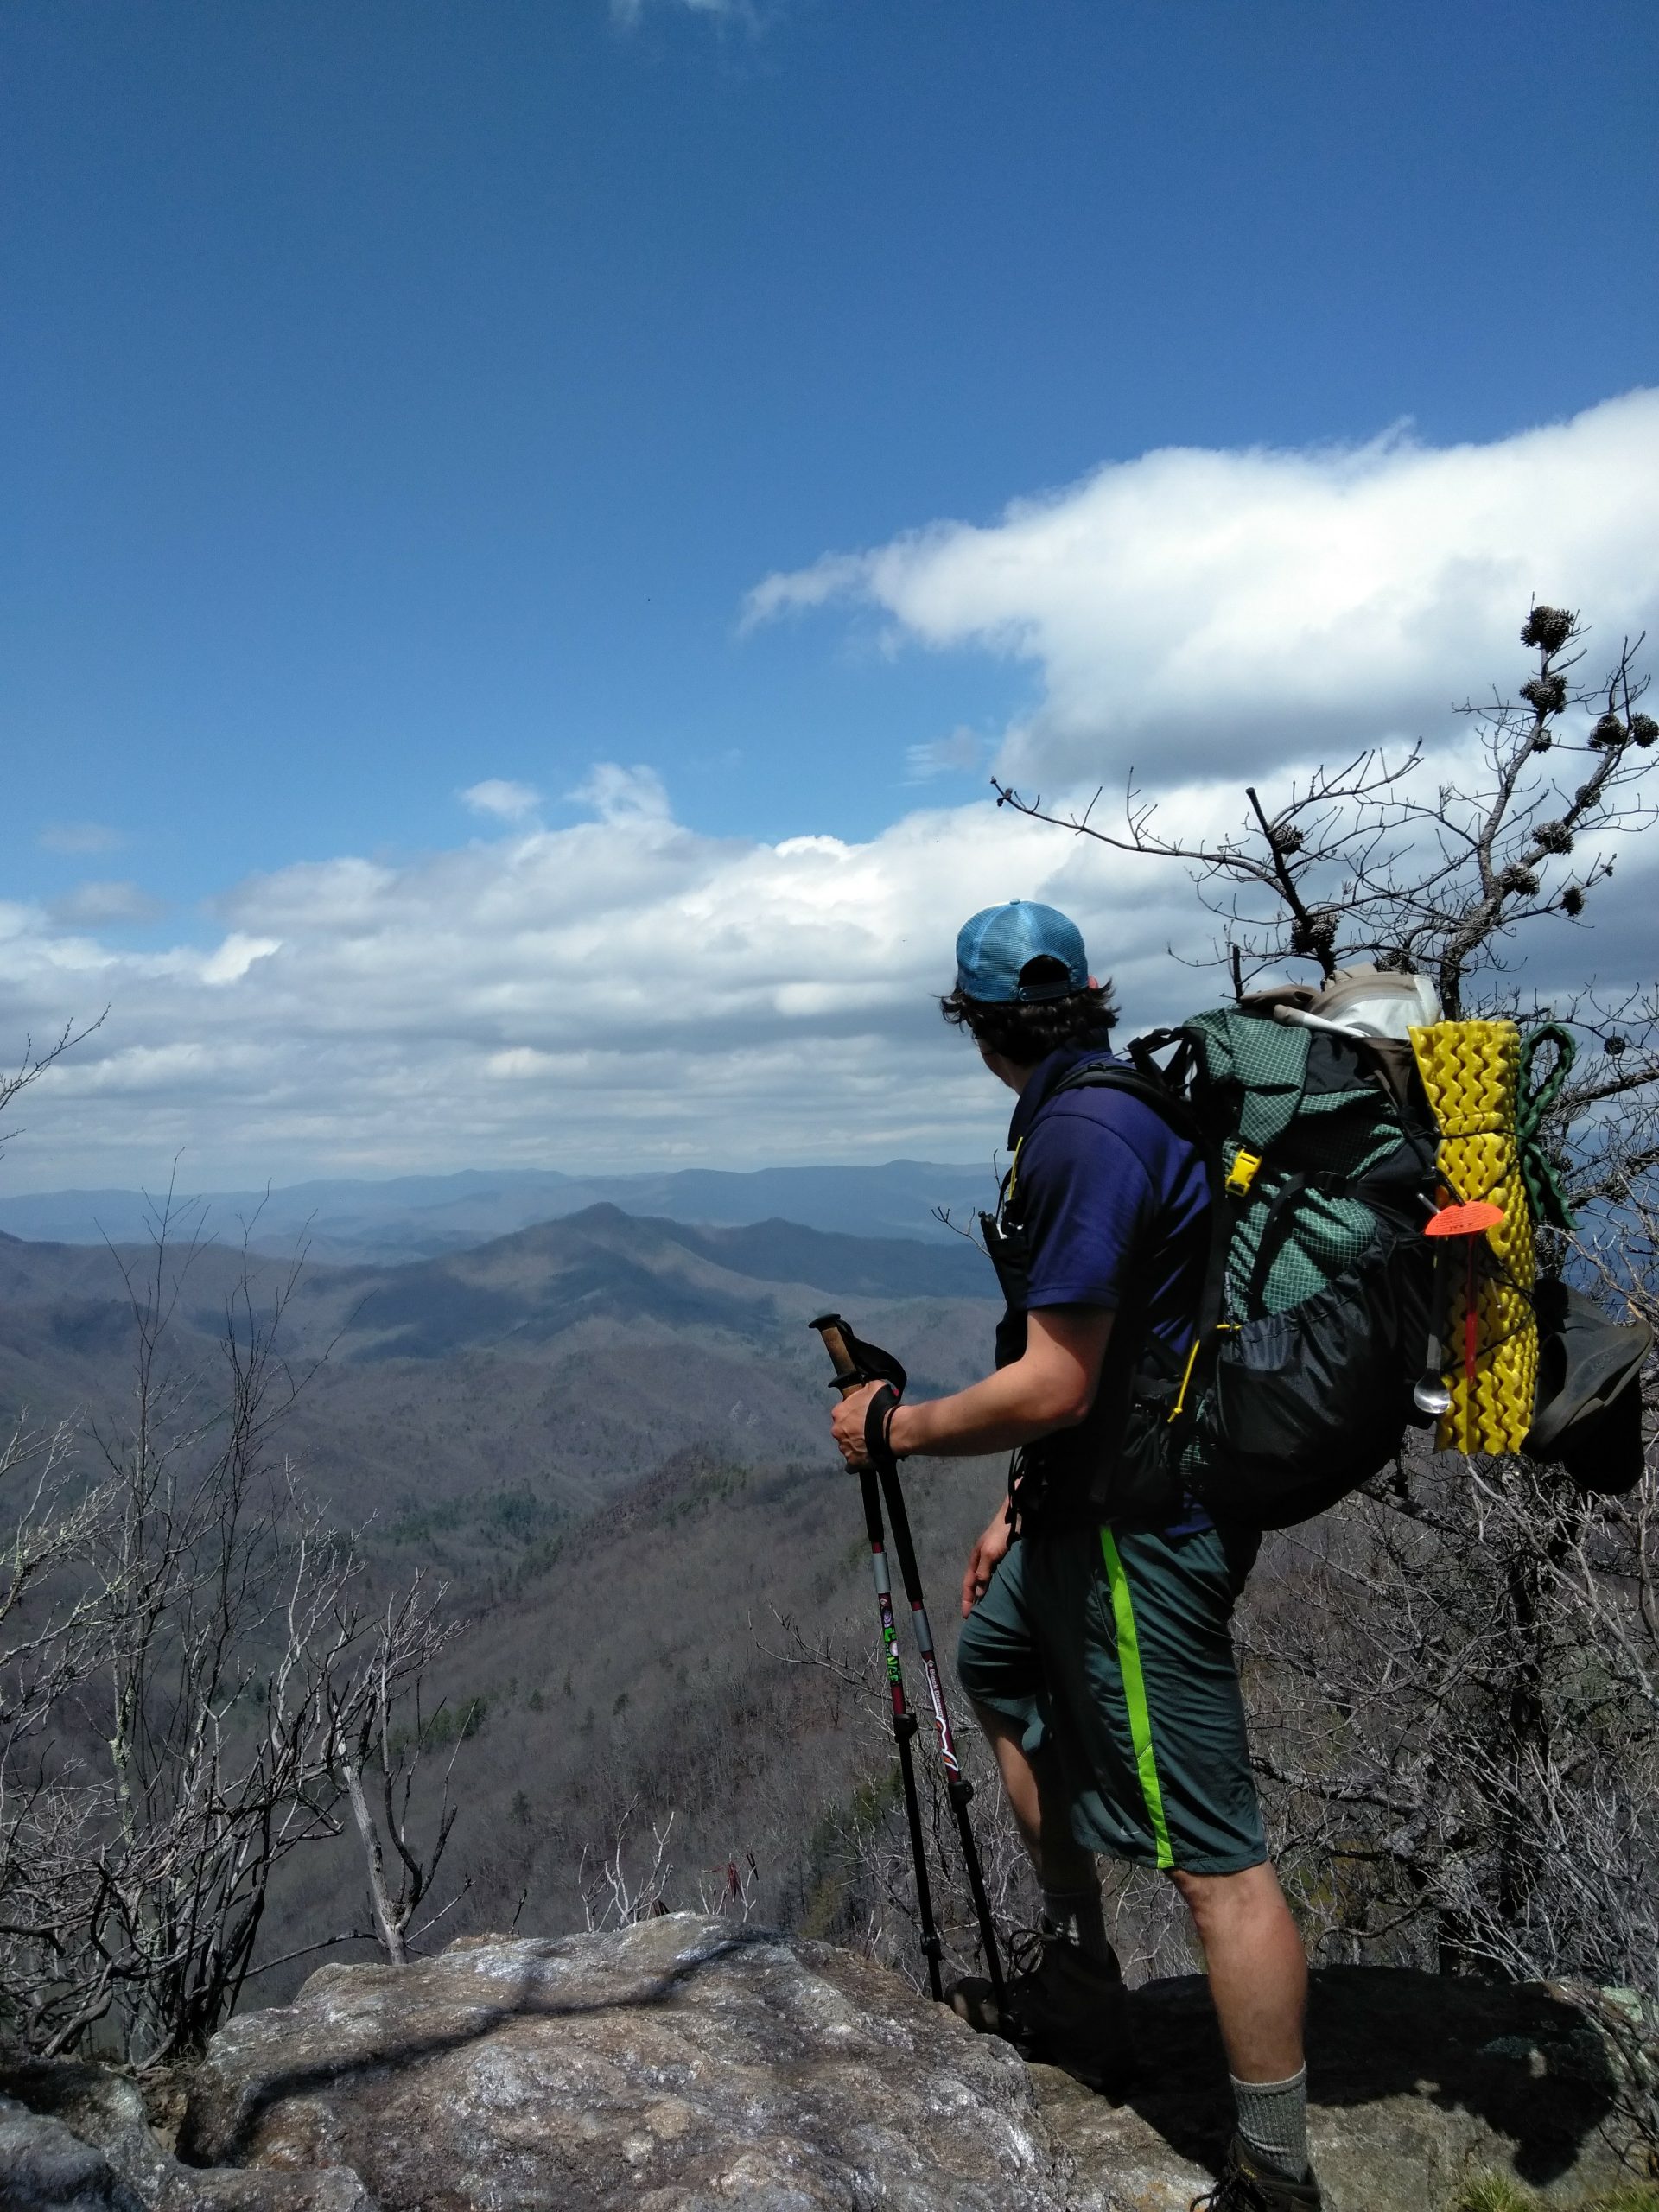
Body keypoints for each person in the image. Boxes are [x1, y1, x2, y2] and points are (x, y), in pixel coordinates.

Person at [829, 899, 1322, 2212]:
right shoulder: (1101, 1105)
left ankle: (1276, 2174)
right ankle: (1081, 1977)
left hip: (1142, 1534)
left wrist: (898, 1428)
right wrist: (1016, 1507)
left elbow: (1056, 1379)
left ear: (978, 1026)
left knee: (1213, 1852)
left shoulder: (1081, 1134)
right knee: (1001, 1665)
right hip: (1091, 1502)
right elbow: (1097, 1374)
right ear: (1090, 999)